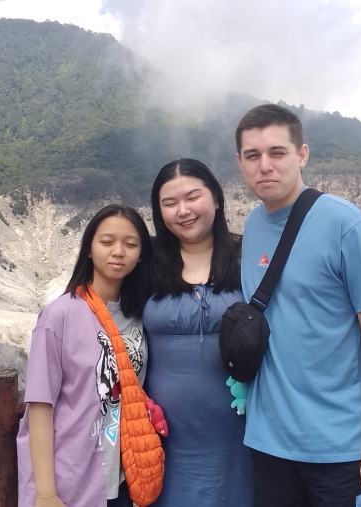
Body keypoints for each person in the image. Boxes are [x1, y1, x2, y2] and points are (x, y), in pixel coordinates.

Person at [234, 103, 361, 507]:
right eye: (253, 156)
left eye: (277, 153)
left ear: (302, 154)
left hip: (338, 448)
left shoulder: (344, 223)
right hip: (268, 442)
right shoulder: (254, 224)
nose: (265, 166)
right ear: (239, 162)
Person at [17, 204, 152, 507]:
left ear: (141, 254)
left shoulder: (142, 315)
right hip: (71, 481)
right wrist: (46, 494)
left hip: (123, 480)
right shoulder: (59, 315)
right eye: (107, 242)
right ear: (89, 248)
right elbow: (40, 405)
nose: (118, 251)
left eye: (130, 244)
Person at [143, 158, 253, 506]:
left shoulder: (247, 256)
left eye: (193, 197)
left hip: (242, 432)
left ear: (216, 199)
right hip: (164, 435)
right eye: (169, 203)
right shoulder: (144, 263)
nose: (183, 210)